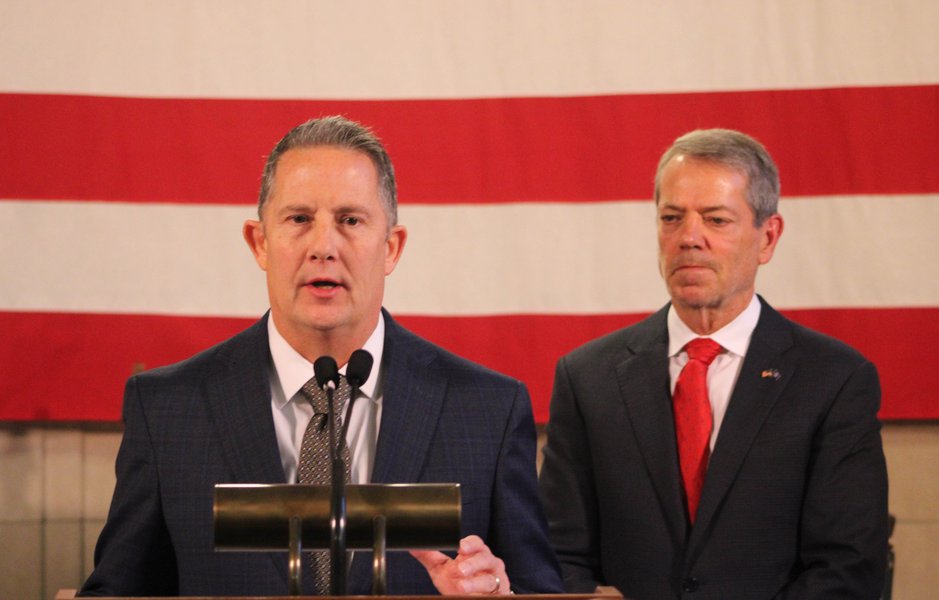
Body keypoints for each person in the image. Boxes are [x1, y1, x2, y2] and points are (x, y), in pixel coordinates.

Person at [80, 116, 562, 596]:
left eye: (350, 220)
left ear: (391, 248)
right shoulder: (168, 409)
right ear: (260, 242)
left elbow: (539, 588)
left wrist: (502, 595)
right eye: (299, 219)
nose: (324, 246)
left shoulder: (486, 410)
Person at [538, 129, 888, 599]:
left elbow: (847, 567)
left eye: (716, 220)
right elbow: (557, 553)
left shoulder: (835, 380)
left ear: (768, 237)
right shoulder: (587, 378)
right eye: (672, 217)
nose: (689, 238)